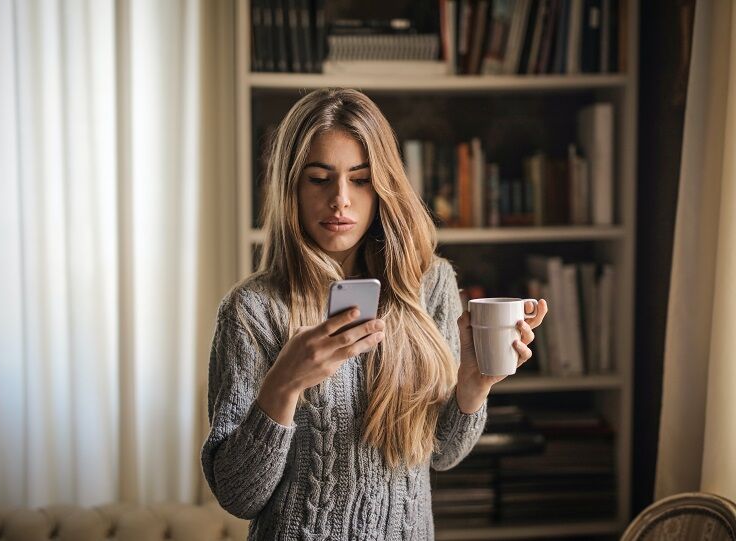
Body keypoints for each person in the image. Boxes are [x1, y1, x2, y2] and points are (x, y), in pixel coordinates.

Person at [200, 88, 548, 540]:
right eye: (319, 178)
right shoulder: (251, 311)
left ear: (383, 185)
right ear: (291, 186)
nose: (340, 199)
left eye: (360, 179)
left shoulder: (430, 285)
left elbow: (443, 455)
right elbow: (238, 496)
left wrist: (474, 383)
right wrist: (283, 385)